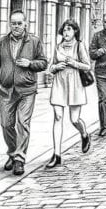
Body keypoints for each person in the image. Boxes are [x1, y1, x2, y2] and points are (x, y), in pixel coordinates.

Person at [0, 10, 48, 176]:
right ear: (10, 24)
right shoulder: (2, 42)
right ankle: (12, 153)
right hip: (6, 89)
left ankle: (19, 159)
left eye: (19, 23)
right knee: (6, 124)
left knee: (23, 123)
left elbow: (44, 63)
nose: (16, 26)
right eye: (13, 23)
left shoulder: (34, 41)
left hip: (26, 90)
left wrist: (30, 63)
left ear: (25, 24)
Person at [45, 20, 92, 169]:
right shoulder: (58, 46)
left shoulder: (79, 46)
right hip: (59, 83)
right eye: (64, 30)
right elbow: (50, 67)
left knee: (74, 119)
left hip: (75, 84)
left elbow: (88, 66)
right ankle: (57, 154)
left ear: (75, 32)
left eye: (69, 30)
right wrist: (55, 67)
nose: (66, 33)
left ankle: (84, 134)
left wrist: (73, 63)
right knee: (58, 117)